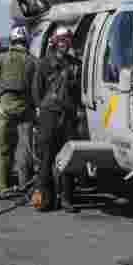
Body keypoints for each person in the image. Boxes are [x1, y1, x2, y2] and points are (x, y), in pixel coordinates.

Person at [30, 27, 81, 213]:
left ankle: (67, 199)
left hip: (68, 117)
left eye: (67, 40)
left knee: (69, 159)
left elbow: (77, 93)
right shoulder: (43, 64)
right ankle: (44, 200)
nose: (64, 43)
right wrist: (41, 111)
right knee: (45, 159)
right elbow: (37, 92)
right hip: (49, 115)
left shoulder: (76, 64)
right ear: (54, 41)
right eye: (61, 40)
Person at [0, 25, 37, 198]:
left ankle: (1, 186)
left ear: (11, 41)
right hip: (25, 107)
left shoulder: (1, 58)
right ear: (26, 42)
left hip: (5, 105)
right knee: (25, 148)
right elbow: (36, 88)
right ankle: (25, 184)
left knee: (1, 147)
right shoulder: (33, 61)